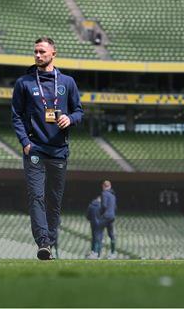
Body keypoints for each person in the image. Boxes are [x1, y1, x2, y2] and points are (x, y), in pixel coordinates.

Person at [11, 37, 84, 260]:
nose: (38, 55)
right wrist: (25, 142)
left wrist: (70, 119)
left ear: (54, 53)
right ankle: (43, 242)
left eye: (42, 51)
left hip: (59, 150)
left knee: (54, 199)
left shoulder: (67, 82)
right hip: (35, 150)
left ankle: (49, 242)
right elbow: (16, 116)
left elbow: (79, 111)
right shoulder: (24, 83)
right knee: (36, 196)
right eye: (35, 51)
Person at [100, 180, 117, 259]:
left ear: (103, 186)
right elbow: (115, 207)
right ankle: (113, 253)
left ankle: (97, 253)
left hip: (105, 216)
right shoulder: (113, 195)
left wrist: (100, 213)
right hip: (112, 216)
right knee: (111, 235)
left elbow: (104, 205)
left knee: (99, 234)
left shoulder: (104, 194)